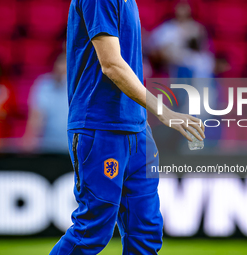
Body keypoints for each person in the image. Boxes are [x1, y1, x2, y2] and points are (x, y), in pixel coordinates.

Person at [50, 0, 205, 254]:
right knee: (92, 232)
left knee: (146, 233)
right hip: (100, 126)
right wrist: (164, 111)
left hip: (136, 128)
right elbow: (110, 64)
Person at [23, 52, 68, 153]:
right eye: (60, 62)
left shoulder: (79, 85)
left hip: (74, 146)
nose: (62, 67)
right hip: (49, 146)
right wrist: (30, 138)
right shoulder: (43, 84)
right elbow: (36, 115)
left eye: (66, 63)